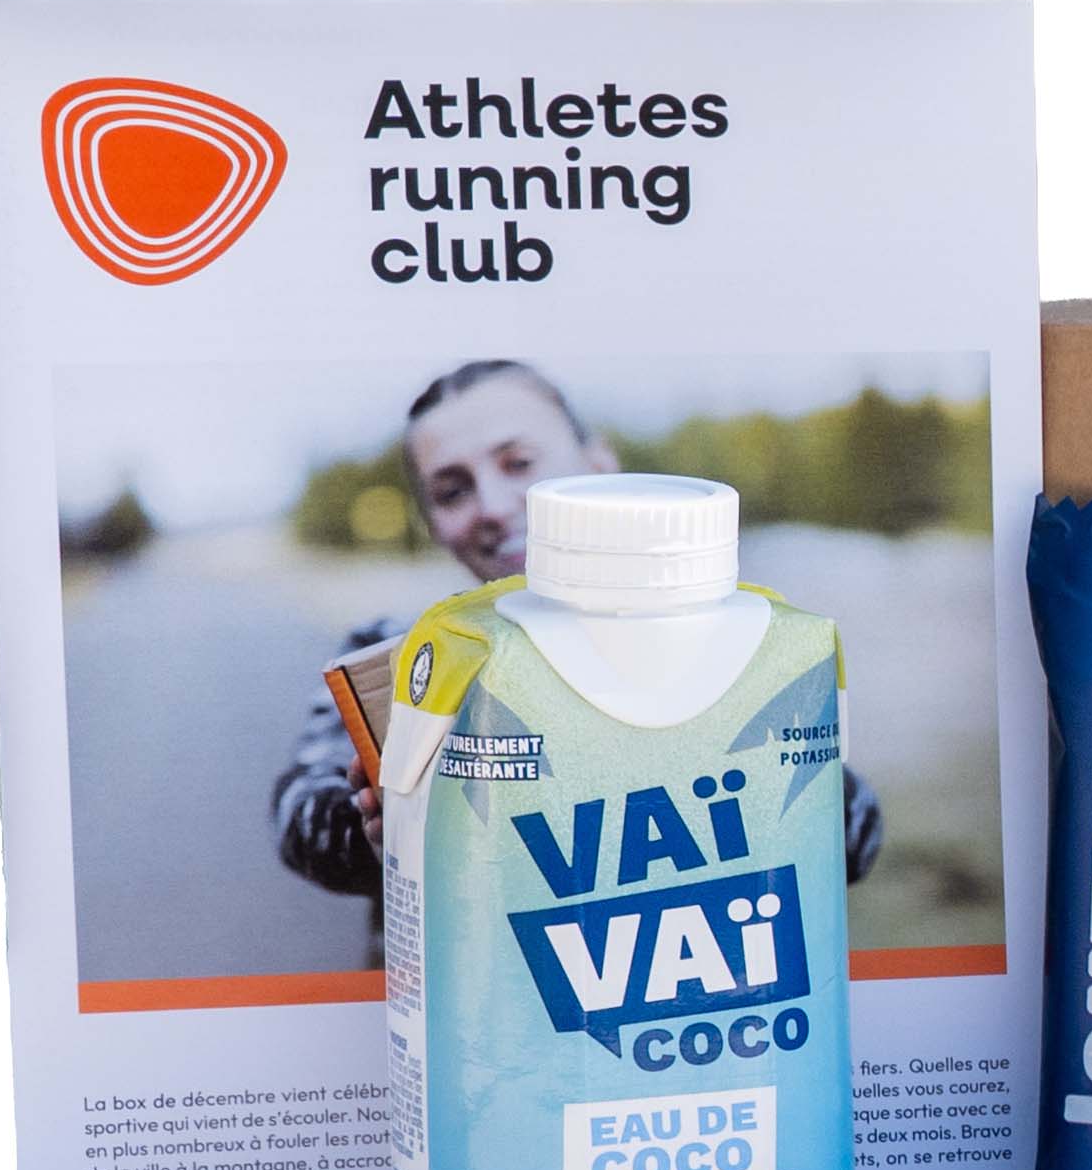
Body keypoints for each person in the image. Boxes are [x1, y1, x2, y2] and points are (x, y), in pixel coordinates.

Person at [272, 360, 883, 903]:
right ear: (432, 522)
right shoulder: (401, 655)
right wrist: (386, 827)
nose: (493, 506)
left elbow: (854, 833)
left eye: (519, 463)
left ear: (600, 465)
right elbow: (299, 815)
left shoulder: (724, 642)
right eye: (452, 491)